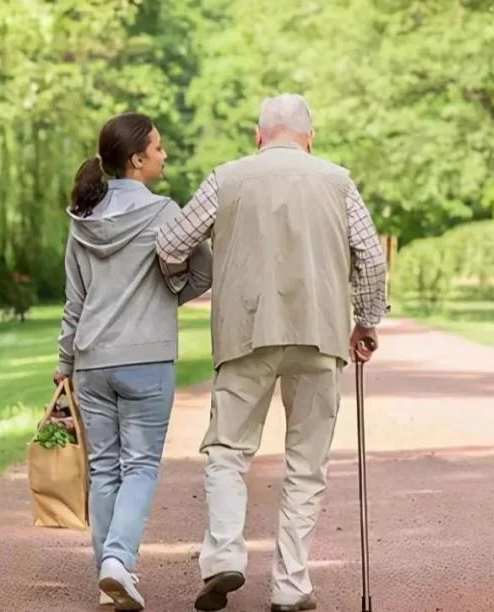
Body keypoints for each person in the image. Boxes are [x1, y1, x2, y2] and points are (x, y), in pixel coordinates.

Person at [155, 93, 388, 612]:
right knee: (306, 466)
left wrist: (194, 277)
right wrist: (366, 322)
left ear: (259, 136)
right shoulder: (337, 180)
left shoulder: (228, 177)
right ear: (311, 136)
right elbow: (370, 259)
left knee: (227, 451)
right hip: (320, 334)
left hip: (246, 331)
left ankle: (223, 558)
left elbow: (170, 245)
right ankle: (290, 586)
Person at [54, 112, 212, 611]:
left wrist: (65, 362)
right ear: (138, 159)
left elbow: (74, 302)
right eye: (159, 148)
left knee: (104, 470)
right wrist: (169, 293)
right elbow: (204, 269)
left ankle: (108, 573)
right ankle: (118, 561)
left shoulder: (82, 220)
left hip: (92, 361)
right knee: (140, 466)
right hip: (147, 359)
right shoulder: (165, 213)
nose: (164, 155)